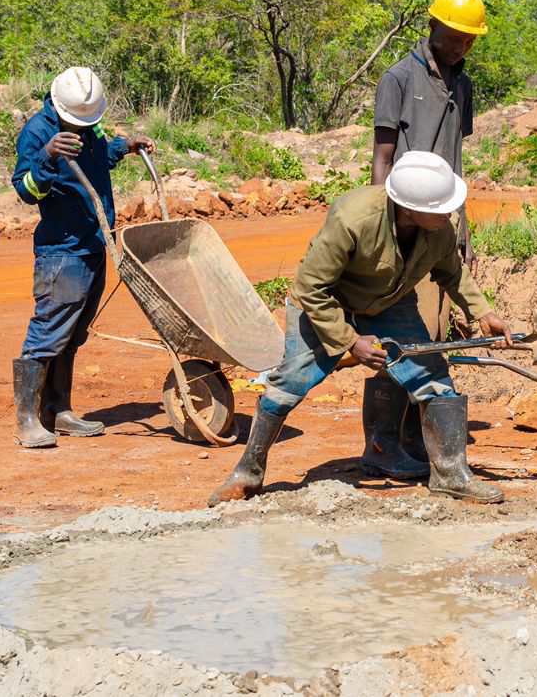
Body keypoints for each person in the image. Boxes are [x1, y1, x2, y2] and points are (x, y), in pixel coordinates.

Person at [208, 151, 510, 505]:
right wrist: (350, 341)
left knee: (432, 376)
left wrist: (482, 312)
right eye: (441, 208)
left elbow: (452, 273)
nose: (450, 213)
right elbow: (310, 287)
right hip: (326, 302)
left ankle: (450, 475)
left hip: (389, 302)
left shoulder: (441, 227)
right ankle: (248, 473)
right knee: (289, 383)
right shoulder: (353, 218)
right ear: (409, 208)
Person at [361, 0, 487, 479]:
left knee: (430, 335)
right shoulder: (398, 78)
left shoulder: (463, 85)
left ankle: (416, 439)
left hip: (442, 219)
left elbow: (457, 159)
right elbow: (382, 157)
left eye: (469, 39)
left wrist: (463, 228)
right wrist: (382, 226)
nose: (461, 46)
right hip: (400, 220)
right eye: (454, 36)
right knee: (397, 335)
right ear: (432, 26)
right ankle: (381, 442)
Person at [10, 67, 155, 449]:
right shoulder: (39, 132)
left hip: (94, 243)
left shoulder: (88, 126)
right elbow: (25, 191)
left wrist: (124, 147)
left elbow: (96, 160)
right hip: (62, 250)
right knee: (48, 333)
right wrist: (47, 156)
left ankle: (59, 409)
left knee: (73, 335)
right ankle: (28, 420)